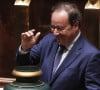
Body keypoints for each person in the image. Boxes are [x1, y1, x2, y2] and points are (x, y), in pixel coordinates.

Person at [16, 2, 100, 90]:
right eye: (52, 27)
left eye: (60, 28)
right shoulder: (48, 41)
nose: (55, 33)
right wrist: (25, 48)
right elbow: (24, 66)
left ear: (75, 26)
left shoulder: (91, 56)